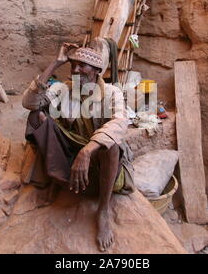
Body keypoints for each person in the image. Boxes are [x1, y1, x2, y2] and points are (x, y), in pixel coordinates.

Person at [22, 41, 134, 252]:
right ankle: (54, 178)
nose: (75, 70)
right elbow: (29, 103)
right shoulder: (63, 88)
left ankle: (102, 211)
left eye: (82, 66)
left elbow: (120, 122)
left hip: (96, 157)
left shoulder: (112, 92)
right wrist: (56, 63)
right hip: (70, 150)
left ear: (97, 71)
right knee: (37, 116)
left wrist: (87, 150)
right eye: (73, 65)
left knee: (111, 146)